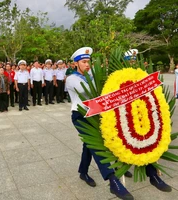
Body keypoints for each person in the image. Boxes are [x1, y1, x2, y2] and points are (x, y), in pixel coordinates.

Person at [66, 47, 172, 200]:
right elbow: (91, 91)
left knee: (92, 144)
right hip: (81, 115)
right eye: (84, 62)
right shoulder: (72, 79)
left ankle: (151, 174)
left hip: (98, 114)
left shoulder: (94, 74)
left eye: (89, 61)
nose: (87, 65)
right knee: (95, 146)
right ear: (75, 64)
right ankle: (113, 181)